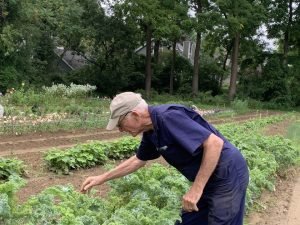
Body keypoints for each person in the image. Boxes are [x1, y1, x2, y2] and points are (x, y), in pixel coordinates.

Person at [81, 92, 249, 225]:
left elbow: (214, 144)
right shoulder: (150, 131)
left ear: (134, 115)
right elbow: (138, 160)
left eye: (120, 124)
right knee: (186, 222)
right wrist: (101, 178)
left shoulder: (167, 117)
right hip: (209, 177)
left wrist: (196, 189)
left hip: (227, 174)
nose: (120, 130)